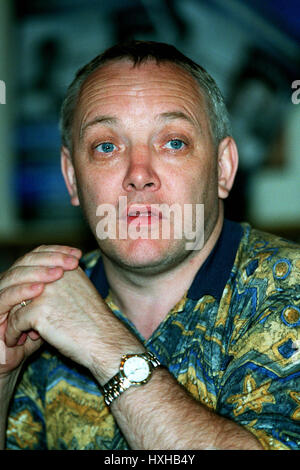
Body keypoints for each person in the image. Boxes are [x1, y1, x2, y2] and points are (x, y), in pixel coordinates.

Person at [0, 40, 299, 451]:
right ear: (72, 178)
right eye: (107, 146)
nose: (138, 174)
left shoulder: (289, 287)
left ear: (223, 169)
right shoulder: (39, 306)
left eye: (173, 142)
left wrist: (105, 345)